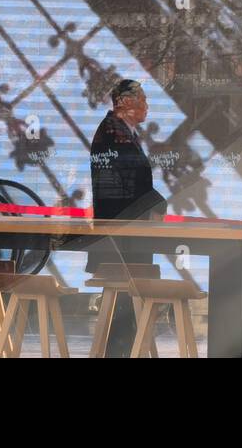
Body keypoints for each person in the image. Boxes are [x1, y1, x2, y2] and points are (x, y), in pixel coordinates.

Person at [89, 77, 166, 357]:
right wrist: (159, 205)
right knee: (125, 307)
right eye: (142, 100)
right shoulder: (115, 134)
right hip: (124, 238)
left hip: (125, 234)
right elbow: (131, 184)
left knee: (126, 307)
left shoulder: (119, 131)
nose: (147, 106)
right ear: (125, 103)